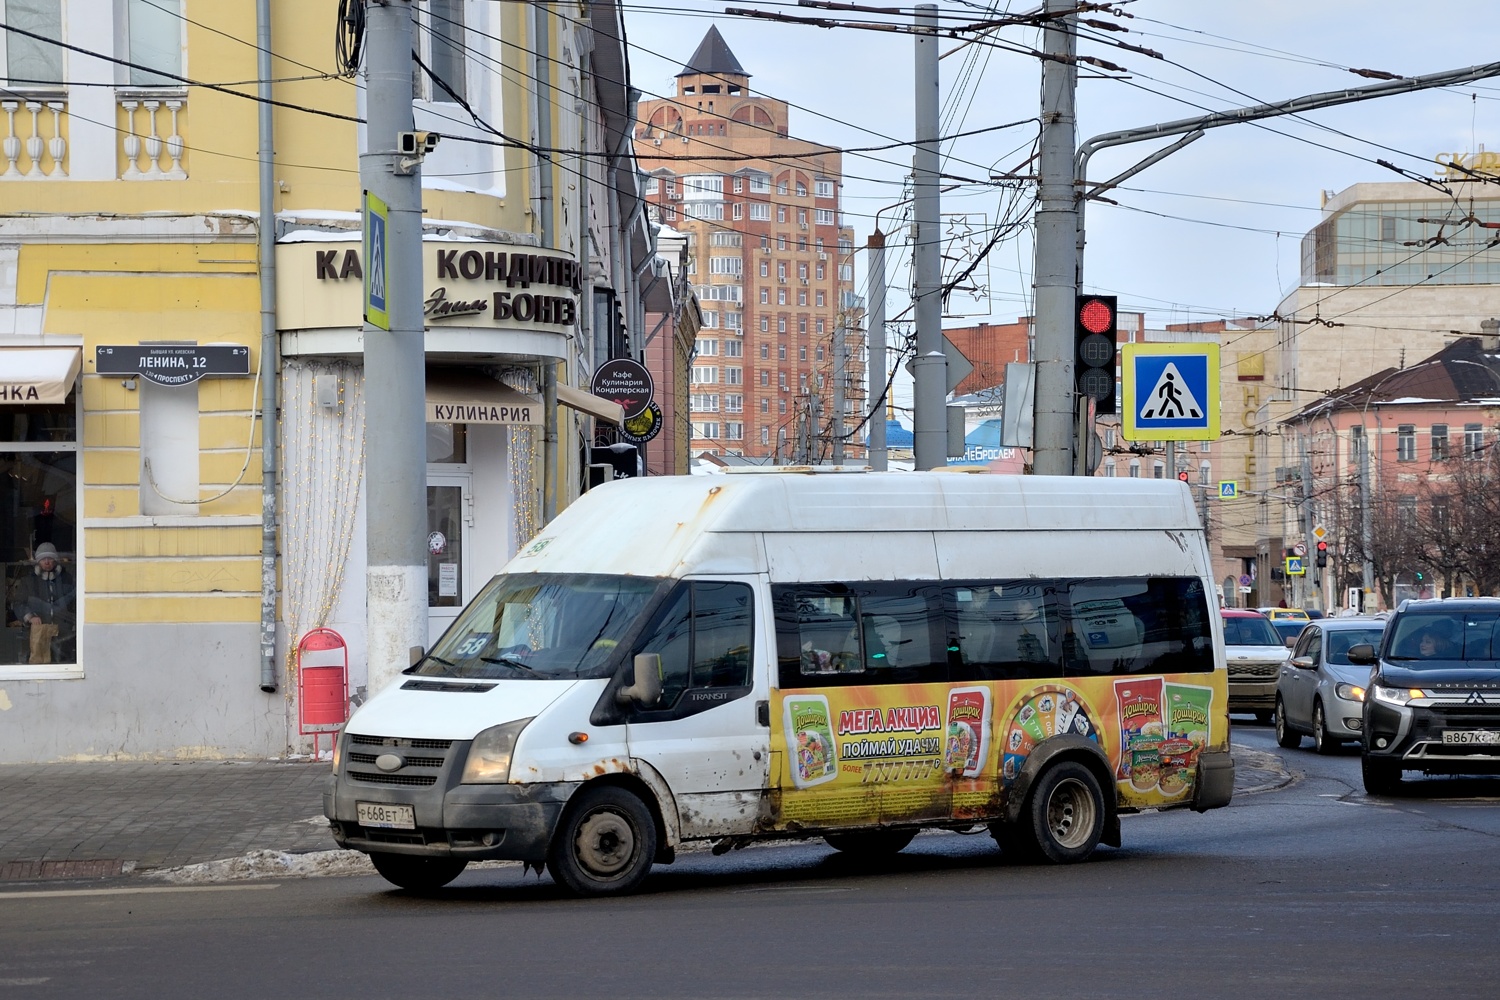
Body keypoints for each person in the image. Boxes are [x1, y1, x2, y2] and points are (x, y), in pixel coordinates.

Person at [12, 542, 75, 664]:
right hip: (37, 635)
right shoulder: (28, 581)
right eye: (43, 559)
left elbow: (74, 603)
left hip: (63, 636)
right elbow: (18, 603)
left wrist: (71, 622)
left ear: (55, 561)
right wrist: (30, 616)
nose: (47, 562)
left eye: (50, 558)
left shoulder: (66, 579)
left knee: (63, 666)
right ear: (37, 562)